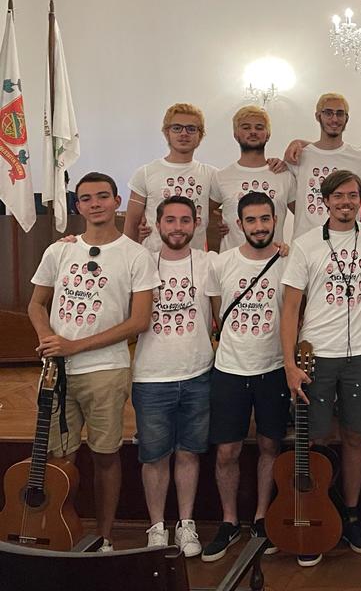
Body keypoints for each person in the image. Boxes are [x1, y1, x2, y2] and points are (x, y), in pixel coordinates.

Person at [28, 172, 160, 551]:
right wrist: (48, 339)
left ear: (117, 201)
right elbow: (36, 304)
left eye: (103, 196)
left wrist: (75, 346)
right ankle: (59, 531)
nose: (95, 204)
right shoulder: (60, 250)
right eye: (86, 198)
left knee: (105, 456)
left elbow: (139, 321)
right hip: (57, 373)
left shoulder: (135, 255)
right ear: (78, 206)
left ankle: (104, 536)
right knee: (59, 457)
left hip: (106, 371)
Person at [280, 171, 361, 564]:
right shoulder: (306, 244)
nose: (346, 202)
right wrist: (289, 364)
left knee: (356, 436)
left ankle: (352, 514)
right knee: (315, 438)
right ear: (325, 201)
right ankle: (314, 511)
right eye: (338, 196)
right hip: (316, 355)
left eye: (353, 196)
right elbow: (290, 307)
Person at [202, 192, 289, 563]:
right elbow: (217, 314)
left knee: (270, 445)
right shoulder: (221, 263)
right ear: (239, 224)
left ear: (275, 221)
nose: (259, 226)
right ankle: (229, 520)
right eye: (251, 220)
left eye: (265, 219)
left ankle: (261, 517)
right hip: (230, 369)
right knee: (227, 451)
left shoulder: (288, 261)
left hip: (273, 368)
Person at [132, 196, 215, 556]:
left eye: (185, 220)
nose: (178, 227)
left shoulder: (210, 262)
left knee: (189, 453)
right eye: (170, 220)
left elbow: (255, 257)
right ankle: (156, 527)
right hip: (151, 377)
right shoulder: (140, 261)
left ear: (196, 224)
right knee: (154, 457)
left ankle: (186, 524)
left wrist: (282, 247)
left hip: (198, 374)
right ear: (158, 224)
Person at [125, 103, 218, 251]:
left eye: (191, 128)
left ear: (200, 135)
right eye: (177, 128)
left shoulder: (212, 175)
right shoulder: (145, 173)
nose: (184, 133)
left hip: (196, 259)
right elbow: (131, 225)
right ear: (167, 132)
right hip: (153, 259)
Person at [287, 93, 361, 240]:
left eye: (340, 114)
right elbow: (290, 199)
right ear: (318, 116)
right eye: (328, 113)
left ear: (346, 118)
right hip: (307, 241)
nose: (334, 119)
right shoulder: (299, 155)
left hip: (348, 242)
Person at [211, 106, 295, 251]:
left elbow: (305, 216)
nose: (253, 132)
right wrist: (214, 225)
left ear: (268, 135)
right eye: (246, 127)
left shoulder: (284, 175)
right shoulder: (221, 176)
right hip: (232, 261)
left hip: (273, 261)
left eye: (259, 127)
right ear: (236, 134)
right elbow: (201, 212)